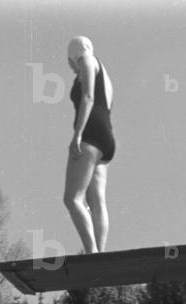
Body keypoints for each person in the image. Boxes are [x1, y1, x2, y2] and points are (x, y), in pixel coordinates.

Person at [64, 36, 115, 254]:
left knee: (72, 198)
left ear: (73, 55)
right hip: (106, 139)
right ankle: (99, 254)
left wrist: (78, 134)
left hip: (90, 136)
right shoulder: (105, 74)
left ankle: (92, 253)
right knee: (97, 201)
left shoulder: (86, 59)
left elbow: (88, 97)